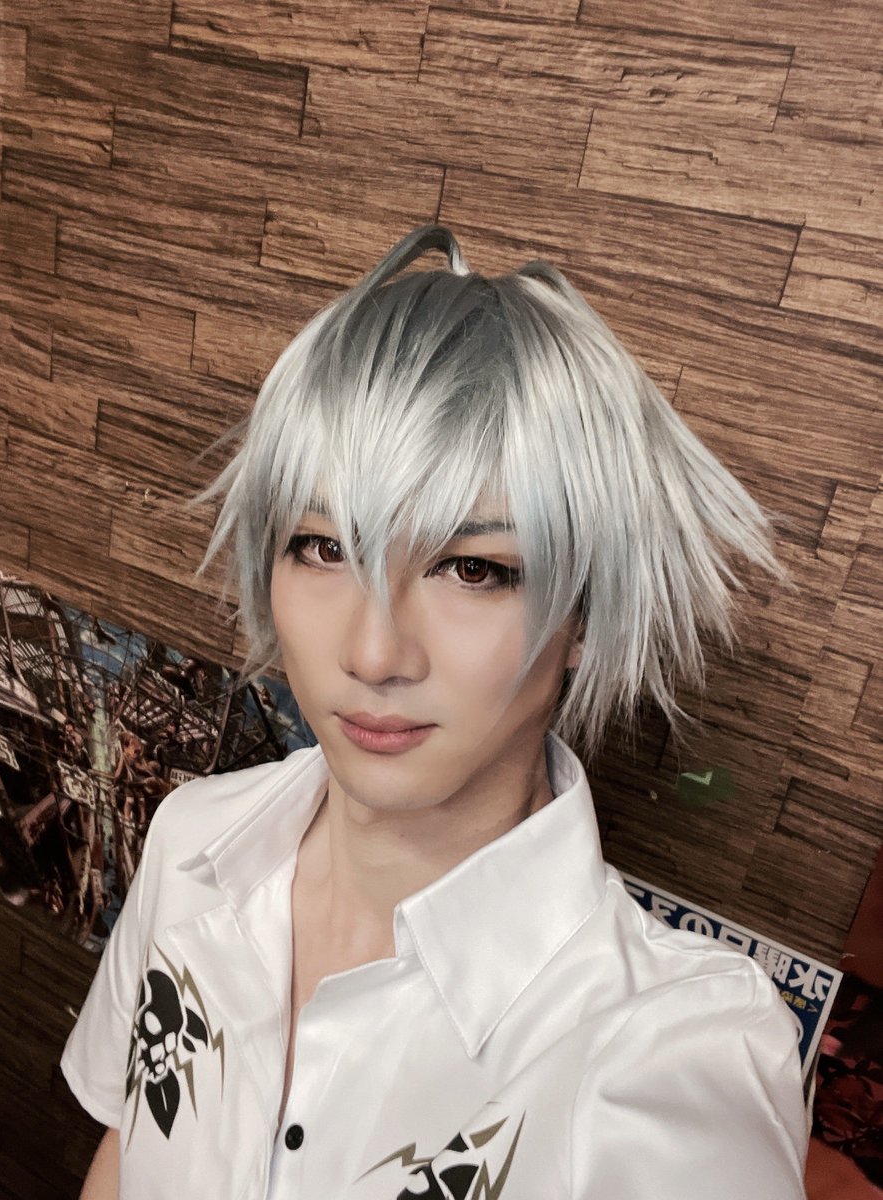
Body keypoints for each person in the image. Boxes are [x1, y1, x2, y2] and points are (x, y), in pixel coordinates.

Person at [62, 225, 809, 1199]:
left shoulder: (675, 1058)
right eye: (323, 548)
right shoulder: (191, 842)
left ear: (584, 615)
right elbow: (128, 1142)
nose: (373, 654)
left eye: (473, 569)